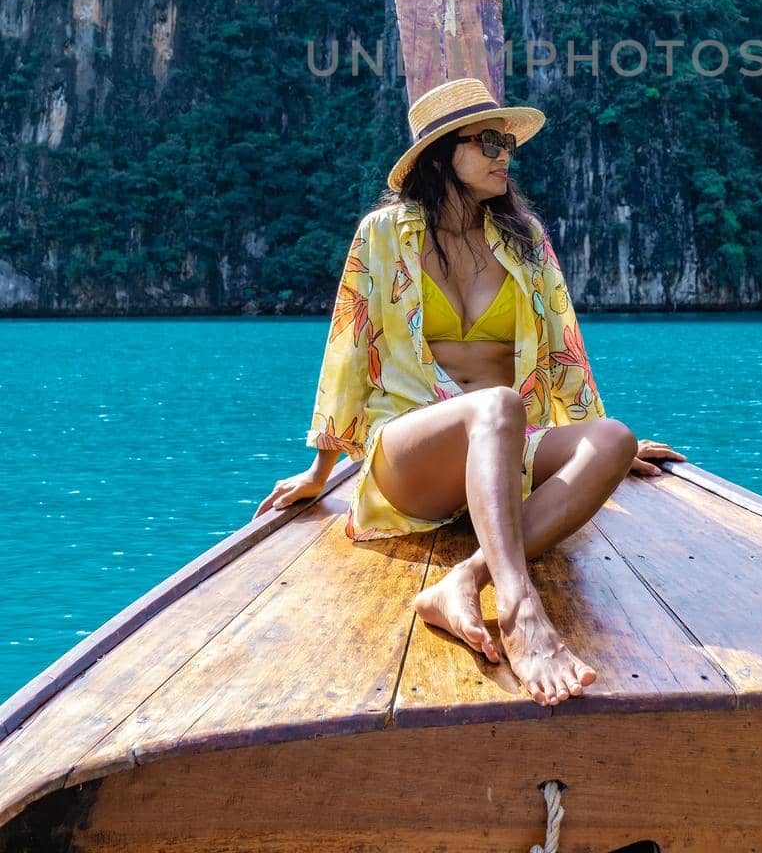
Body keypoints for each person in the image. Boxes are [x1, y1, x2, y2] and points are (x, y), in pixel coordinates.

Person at [255, 77, 685, 707]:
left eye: (506, 140)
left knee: (611, 439)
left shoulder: (524, 241)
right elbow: (350, 347)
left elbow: (565, 346)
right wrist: (320, 471)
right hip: (413, 452)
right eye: (487, 141)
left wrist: (595, 437)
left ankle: (466, 578)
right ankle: (519, 610)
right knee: (496, 404)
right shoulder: (384, 236)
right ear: (440, 157)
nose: (503, 153)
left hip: (508, 449)